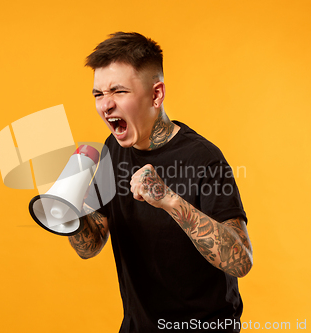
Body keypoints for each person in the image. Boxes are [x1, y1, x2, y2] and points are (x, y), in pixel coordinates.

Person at [68, 32, 253, 332]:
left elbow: (240, 261)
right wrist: (69, 208)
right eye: (98, 95)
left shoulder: (204, 158)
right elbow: (90, 245)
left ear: (156, 94)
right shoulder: (112, 150)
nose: (105, 105)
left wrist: (168, 199)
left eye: (118, 91)